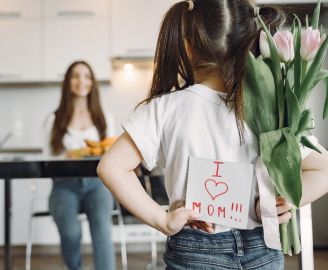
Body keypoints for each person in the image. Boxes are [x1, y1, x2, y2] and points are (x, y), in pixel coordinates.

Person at [97, 1, 328, 269]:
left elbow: (111, 167)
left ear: (188, 44)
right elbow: (323, 170)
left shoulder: (164, 109)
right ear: (250, 42)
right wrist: (284, 199)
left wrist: (162, 221)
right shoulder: (271, 109)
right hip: (262, 247)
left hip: (194, 248)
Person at [43, 60, 116, 270]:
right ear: (67, 82)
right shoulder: (54, 119)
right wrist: (65, 157)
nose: (81, 81)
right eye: (75, 76)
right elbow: (47, 160)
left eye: (86, 76)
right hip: (64, 186)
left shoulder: (105, 118)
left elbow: (112, 155)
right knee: (70, 233)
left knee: (102, 232)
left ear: (92, 82)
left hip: (98, 185)